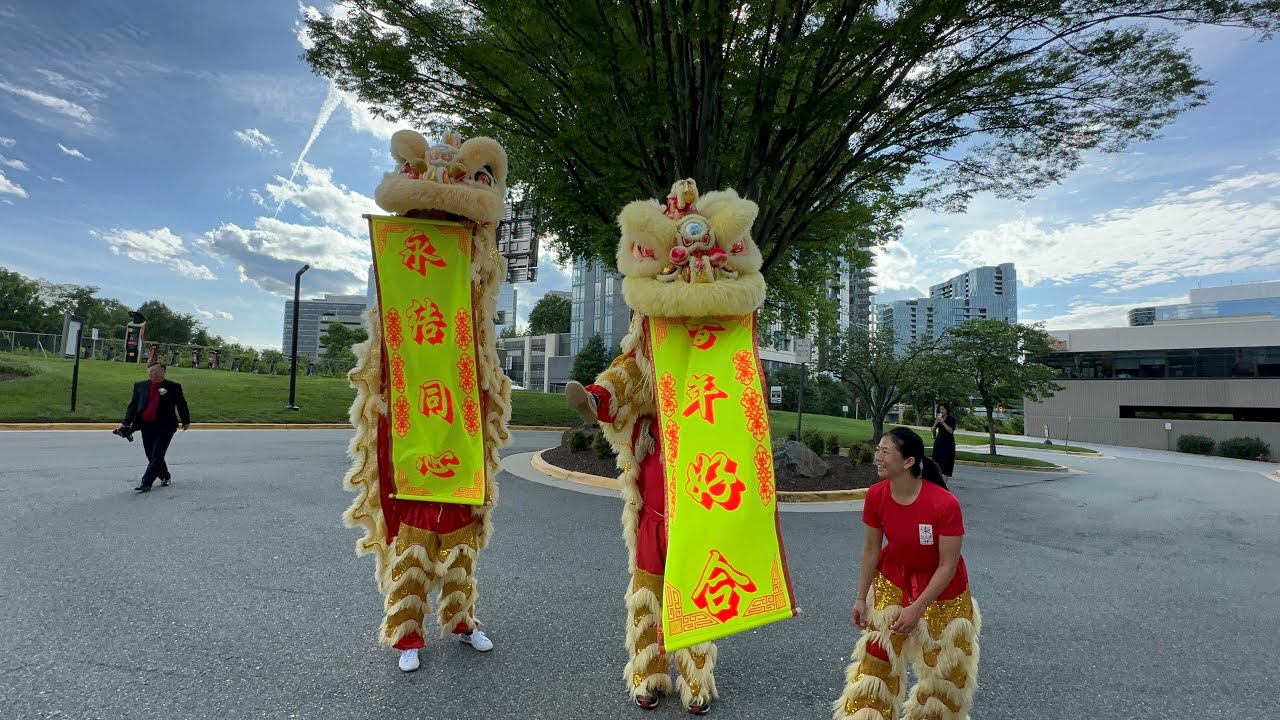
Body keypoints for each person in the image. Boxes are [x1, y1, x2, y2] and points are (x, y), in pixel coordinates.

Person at [833, 427, 981, 720]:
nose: (877, 457)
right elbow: (871, 550)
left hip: (942, 589)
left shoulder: (944, 503)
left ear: (909, 462)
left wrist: (918, 607)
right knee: (876, 662)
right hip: (893, 579)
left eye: (885, 451)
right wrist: (860, 598)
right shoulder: (876, 495)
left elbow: (947, 566)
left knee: (945, 673)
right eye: (877, 450)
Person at [119, 362, 190, 493]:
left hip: (166, 426)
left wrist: (186, 421)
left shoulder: (172, 387)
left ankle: (146, 483)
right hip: (147, 425)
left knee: (157, 454)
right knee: (151, 454)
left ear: (164, 372)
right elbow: (133, 406)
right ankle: (165, 475)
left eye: (156, 371)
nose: (153, 373)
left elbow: (181, 404)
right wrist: (126, 423)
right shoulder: (140, 386)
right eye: (151, 371)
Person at [930, 403, 957, 481]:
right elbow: (932, 430)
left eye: (943, 409)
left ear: (947, 410)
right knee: (936, 460)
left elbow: (950, 431)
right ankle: (936, 479)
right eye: (940, 409)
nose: (941, 411)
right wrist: (936, 422)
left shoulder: (951, 419)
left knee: (947, 461)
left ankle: (945, 481)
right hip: (939, 441)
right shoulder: (938, 418)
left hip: (948, 442)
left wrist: (943, 423)